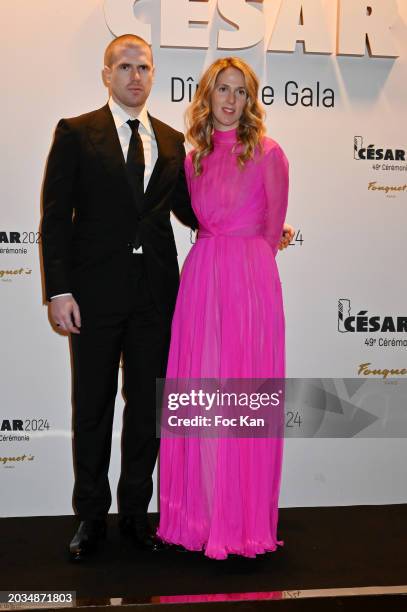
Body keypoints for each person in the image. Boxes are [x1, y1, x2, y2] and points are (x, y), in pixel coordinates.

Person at [42, 34, 294, 562]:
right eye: (125, 66)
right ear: (107, 73)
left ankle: (135, 515)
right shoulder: (75, 133)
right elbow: (55, 219)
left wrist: (258, 228)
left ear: (154, 75)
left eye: (144, 67)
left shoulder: (176, 143)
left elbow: (196, 207)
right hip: (92, 297)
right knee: (92, 408)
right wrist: (60, 290)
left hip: (159, 299)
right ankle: (90, 517)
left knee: (147, 412)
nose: (135, 76)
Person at [157, 57, 289, 559]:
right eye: (222, 90)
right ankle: (199, 517)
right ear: (207, 97)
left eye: (241, 92)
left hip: (251, 284)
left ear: (250, 101)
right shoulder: (190, 161)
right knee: (202, 395)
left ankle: (243, 522)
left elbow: (272, 230)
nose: (231, 100)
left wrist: (246, 271)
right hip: (202, 278)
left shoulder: (270, 153)